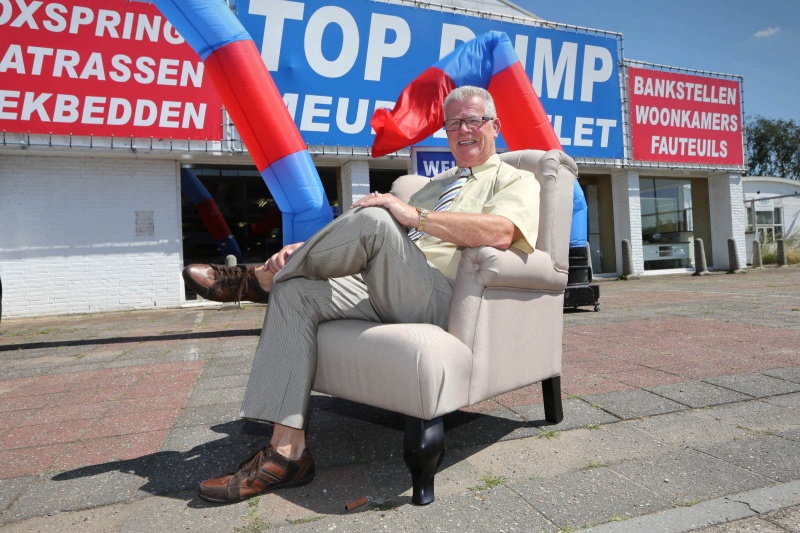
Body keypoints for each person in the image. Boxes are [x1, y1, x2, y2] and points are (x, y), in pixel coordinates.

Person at [185, 86, 540, 504]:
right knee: (295, 289)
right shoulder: (431, 186)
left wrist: (414, 215)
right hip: (389, 283)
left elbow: (502, 231)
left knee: (376, 217)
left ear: (494, 126)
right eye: (454, 123)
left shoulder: (516, 179)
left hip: (442, 297)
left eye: (473, 120)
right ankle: (287, 454)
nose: (463, 129)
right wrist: (311, 251)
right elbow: (379, 247)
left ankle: (256, 280)